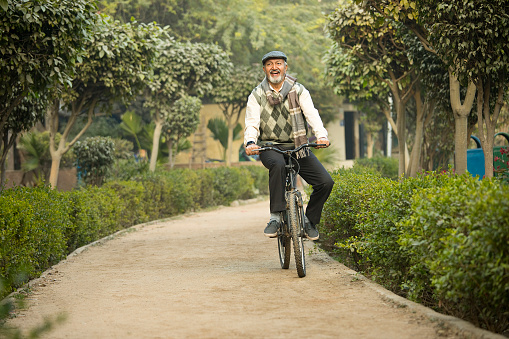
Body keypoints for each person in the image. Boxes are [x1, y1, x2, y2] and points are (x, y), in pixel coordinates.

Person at [244, 51, 334, 241]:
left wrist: (321, 135)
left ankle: (310, 221)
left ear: (286, 67)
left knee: (325, 182)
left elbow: (312, 115)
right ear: (264, 69)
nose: (274, 67)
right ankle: (275, 217)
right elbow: (252, 122)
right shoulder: (256, 94)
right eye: (269, 64)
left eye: (278, 63)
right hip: (270, 147)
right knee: (277, 165)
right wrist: (251, 142)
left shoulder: (299, 90)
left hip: (298, 147)